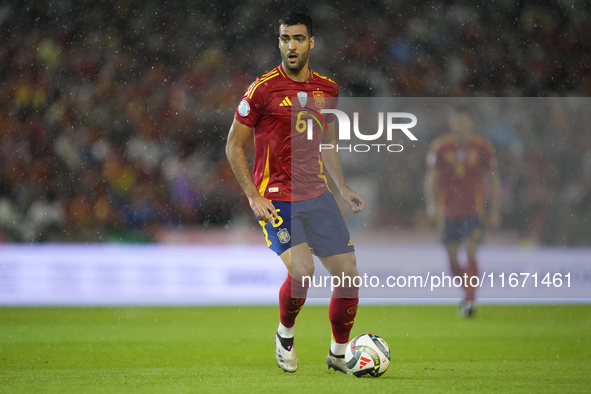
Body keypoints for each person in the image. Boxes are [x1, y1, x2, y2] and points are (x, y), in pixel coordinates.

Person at [225, 12, 365, 373]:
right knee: (303, 270)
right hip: (276, 197)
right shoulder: (262, 90)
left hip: (317, 195)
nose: (291, 46)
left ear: (311, 43)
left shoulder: (327, 91)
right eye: (285, 39)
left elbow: (328, 141)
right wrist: (253, 196)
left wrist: (343, 186)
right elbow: (232, 146)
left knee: (348, 275)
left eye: (298, 39)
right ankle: (285, 334)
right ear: (279, 42)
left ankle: (338, 354)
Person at [424, 105, 501, 317]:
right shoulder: (440, 146)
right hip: (447, 210)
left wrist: (494, 208)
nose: (460, 125)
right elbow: (432, 177)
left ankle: (470, 301)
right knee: (452, 261)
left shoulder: (483, 147)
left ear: (471, 122)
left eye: (464, 120)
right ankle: (467, 292)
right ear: (451, 123)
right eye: (457, 121)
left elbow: (493, 179)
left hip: (473, 210)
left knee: (470, 249)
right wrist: (431, 204)